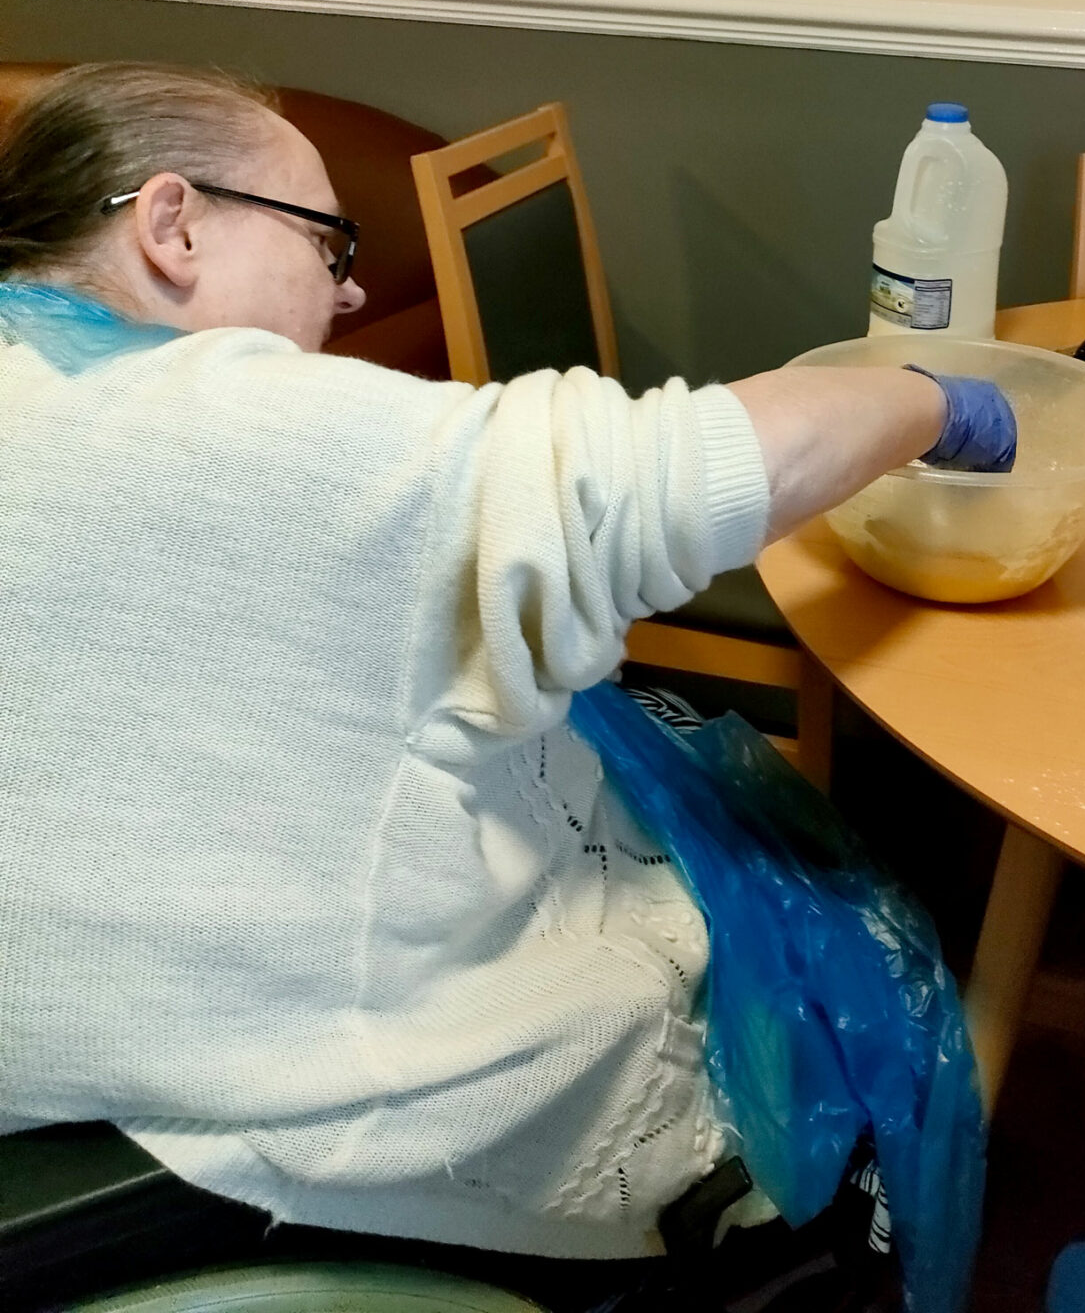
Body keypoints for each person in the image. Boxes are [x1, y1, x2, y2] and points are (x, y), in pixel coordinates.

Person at [0, 64, 1014, 1291]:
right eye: (326, 241)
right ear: (173, 224)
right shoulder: (235, 415)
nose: (350, 287)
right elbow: (685, 473)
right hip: (285, 1115)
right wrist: (929, 398)